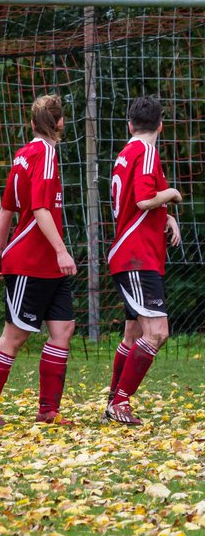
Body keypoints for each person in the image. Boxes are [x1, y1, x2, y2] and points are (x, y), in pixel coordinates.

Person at [0, 93, 77, 426]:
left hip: (44, 264)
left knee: (63, 329)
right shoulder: (43, 154)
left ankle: (48, 411)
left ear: (32, 123)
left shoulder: (23, 154)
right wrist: (60, 249)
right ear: (59, 123)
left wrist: (0, 250)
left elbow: (7, 209)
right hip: (33, 262)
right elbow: (39, 209)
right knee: (14, 337)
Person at [104, 96, 182, 426]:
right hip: (138, 256)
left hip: (133, 252)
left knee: (133, 334)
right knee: (157, 333)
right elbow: (144, 199)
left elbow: (145, 198)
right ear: (161, 126)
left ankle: (114, 399)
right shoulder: (147, 152)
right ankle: (120, 402)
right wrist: (173, 194)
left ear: (130, 125)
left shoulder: (127, 153)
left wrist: (168, 217)